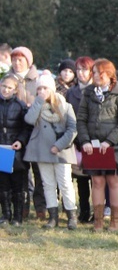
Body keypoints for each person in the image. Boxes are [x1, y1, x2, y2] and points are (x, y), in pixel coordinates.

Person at [76, 58, 118, 232]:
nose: (96, 76)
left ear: (109, 74)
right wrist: (84, 141)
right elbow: (81, 119)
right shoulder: (88, 93)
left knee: (114, 182)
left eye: (100, 72)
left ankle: (114, 221)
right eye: (95, 72)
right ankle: (98, 221)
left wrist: (109, 141)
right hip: (93, 147)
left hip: (114, 147)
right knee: (97, 182)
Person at [23, 74, 78, 229]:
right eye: (39, 88)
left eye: (45, 88)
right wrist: (39, 101)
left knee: (65, 183)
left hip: (61, 152)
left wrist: (58, 145)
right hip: (43, 151)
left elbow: (72, 129)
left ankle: (71, 216)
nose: (42, 91)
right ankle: (52, 217)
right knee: (48, 184)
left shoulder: (66, 106)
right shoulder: (37, 105)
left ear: (52, 89)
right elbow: (29, 120)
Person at [10, 46, 45, 219]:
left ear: (28, 62)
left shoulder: (38, 80)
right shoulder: (8, 80)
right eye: (14, 59)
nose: (17, 63)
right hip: (16, 133)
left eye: (20, 59)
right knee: (21, 172)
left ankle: (40, 207)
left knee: (39, 173)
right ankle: (22, 206)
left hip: (38, 132)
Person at [67, 56, 95, 223]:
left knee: (96, 179)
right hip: (76, 140)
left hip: (94, 140)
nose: (81, 73)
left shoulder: (95, 90)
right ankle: (84, 211)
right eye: (78, 70)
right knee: (81, 180)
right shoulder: (71, 92)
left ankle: (97, 211)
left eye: (84, 69)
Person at [0, 74, 30, 226]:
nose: (5, 90)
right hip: (1, 150)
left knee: (18, 184)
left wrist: (20, 141)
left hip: (16, 150)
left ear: (15, 90)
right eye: (3, 86)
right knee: (3, 184)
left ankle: (18, 216)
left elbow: (26, 128)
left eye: (9, 87)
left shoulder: (20, 106)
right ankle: (5, 214)